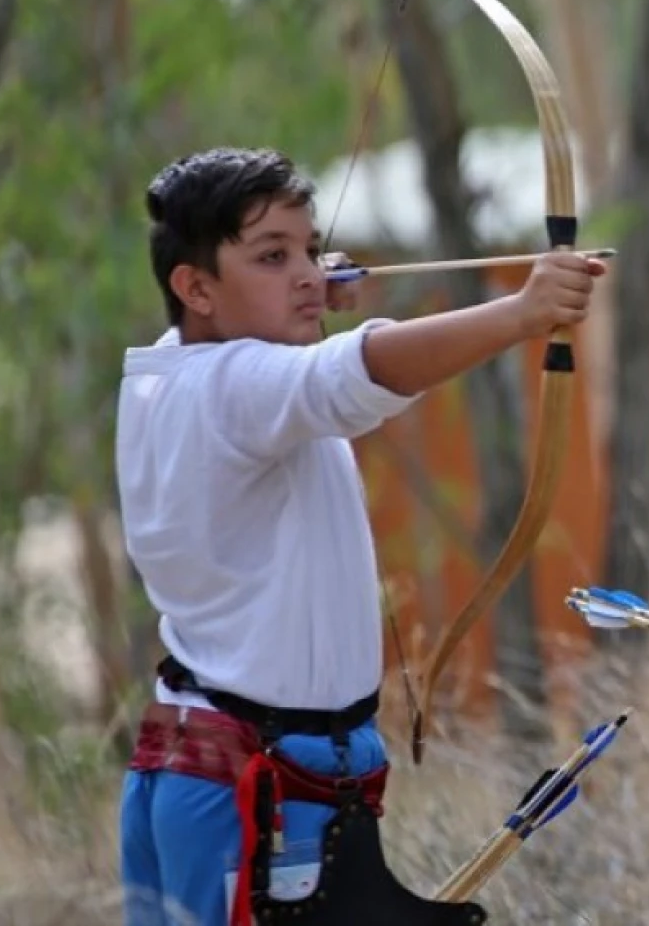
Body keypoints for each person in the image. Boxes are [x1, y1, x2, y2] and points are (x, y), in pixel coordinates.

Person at [114, 146, 604, 925]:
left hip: (205, 767)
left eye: (310, 250)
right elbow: (356, 370)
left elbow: (270, 355)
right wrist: (521, 312)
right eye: (272, 255)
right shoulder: (240, 386)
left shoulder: (167, 370)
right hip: (259, 789)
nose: (308, 271)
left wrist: (289, 294)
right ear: (194, 286)